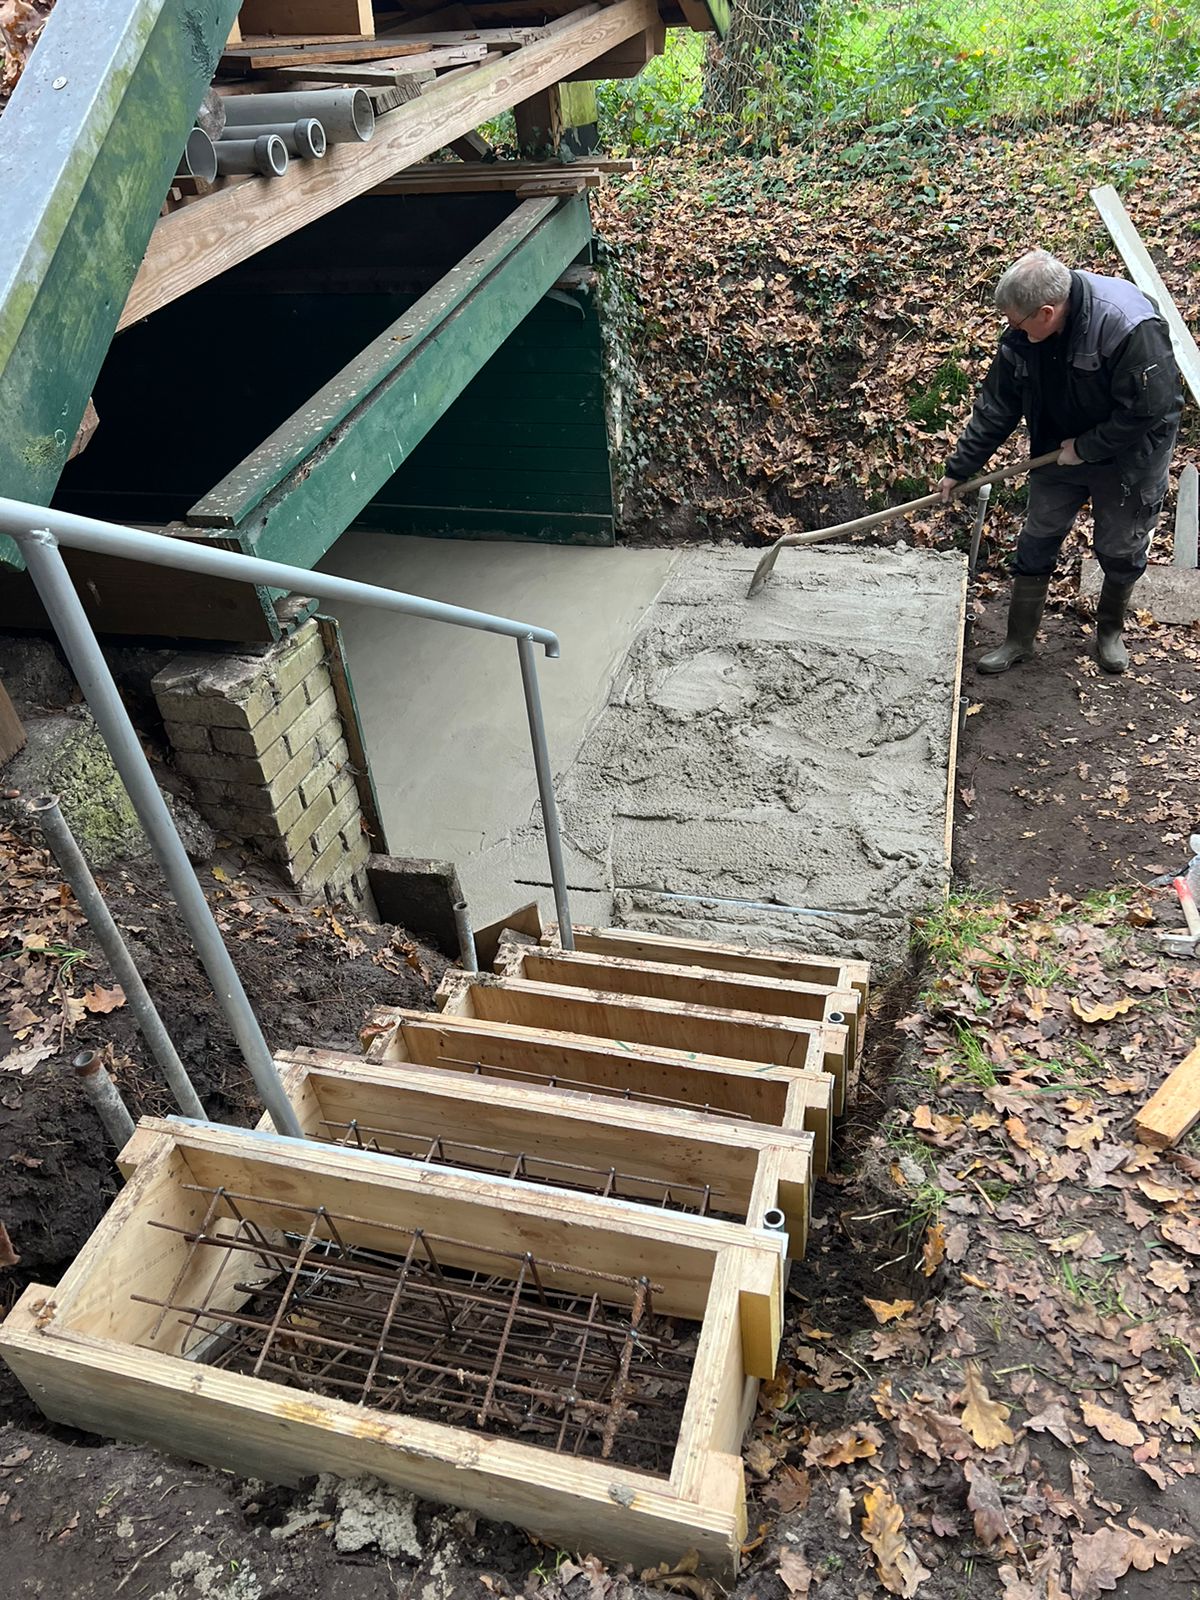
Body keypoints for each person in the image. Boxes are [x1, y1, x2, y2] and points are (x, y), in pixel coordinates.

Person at [939, 248, 1182, 675]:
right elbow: (998, 405)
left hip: (1130, 455)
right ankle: (1019, 639)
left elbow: (1149, 409)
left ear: (1047, 313)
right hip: (1057, 448)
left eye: (1017, 321)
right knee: (1038, 537)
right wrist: (960, 468)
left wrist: (1086, 448)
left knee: (1120, 547)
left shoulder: (1127, 325)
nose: (1012, 328)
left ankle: (1110, 631)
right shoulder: (1024, 335)